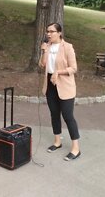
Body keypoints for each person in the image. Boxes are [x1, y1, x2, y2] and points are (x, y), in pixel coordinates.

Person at [39, 22, 81, 161]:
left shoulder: (67, 47)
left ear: (59, 33)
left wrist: (59, 72)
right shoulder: (48, 46)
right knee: (54, 114)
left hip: (65, 85)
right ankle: (57, 141)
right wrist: (44, 51)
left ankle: (76, 148)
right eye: (47, 31)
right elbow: (42, 64)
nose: (48, 34)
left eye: (51, 31)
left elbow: (74, 68)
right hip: (51, 85)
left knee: (68, 116)